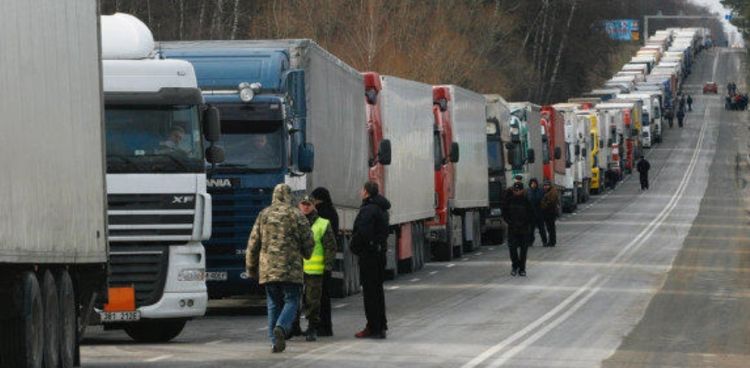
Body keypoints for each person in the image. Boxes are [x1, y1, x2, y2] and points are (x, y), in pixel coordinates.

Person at [246, 184, 314, 353]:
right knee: (292, 300)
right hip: (291, 269)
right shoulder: (297, 215)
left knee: (273, 304)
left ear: (274, 196)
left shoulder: (264, 214)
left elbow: (253, 244)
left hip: (268, 269)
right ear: (290, 197)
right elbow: (308, 241)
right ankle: (282, 327)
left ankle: (274, 341)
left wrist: (251, 268)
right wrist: (307, 254)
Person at [293, 195, 337, 342]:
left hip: (314, 270)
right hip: (295, 269)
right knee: (293, 300)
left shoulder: (323, 224)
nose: (305, 207)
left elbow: (330, 247)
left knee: (312, 301)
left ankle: (312, 328)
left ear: (313, 206)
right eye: (303, 204)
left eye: (308, 204)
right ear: (299, 205)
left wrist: (328, 266)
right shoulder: (293, 222)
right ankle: (294, 327)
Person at [351, 181, 390, 339]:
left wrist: (355, 247)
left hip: (369, 256)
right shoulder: (382, 208)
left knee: (370, 294)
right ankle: (380, 325)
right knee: (378, 292)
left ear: (366, 192)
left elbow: (363, 233)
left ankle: (373, 327)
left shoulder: (368, 210)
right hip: (379, 254)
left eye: (362, 189)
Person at [310, 187, 338, 337]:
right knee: (325, 296)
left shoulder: (320, 215)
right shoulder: (333, 212)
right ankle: (326, 327)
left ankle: (320, 326)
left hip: (316, 262)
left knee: (316, 298)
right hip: (326, 261)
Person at [502, 182, 532, 276]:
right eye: (515, 190)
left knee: (523, 251)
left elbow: (531, 214)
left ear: (522, 190)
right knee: (513, 250)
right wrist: (510, 222)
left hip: (524, 229)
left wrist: (526, 223)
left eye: (519, 190)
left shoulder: (526, 201)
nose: (517, 192)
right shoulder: (509, 201)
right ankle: (515, 266)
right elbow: (505, 213)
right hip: (513, 229)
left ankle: (522, 269)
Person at [526, 178, 547, 247]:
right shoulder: (528, 191)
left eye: (534, 183)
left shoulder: (540, 191)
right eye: (532, 183)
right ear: (530, 184)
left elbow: (540, 198)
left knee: (541, 229)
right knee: (531, 230)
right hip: (531, 213)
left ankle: (544, 241)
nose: (533, 185)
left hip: (539, 212)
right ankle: (530, 241)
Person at [540, 180, 559, 248]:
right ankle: (551, 241)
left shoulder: (552, 192)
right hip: (547, 213)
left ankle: (552, 241)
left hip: (551, 212)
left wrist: (543, 204)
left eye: (547, 185)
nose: (545, 187)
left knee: (551, 228)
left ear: (550, 186)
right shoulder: (547, 192)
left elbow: (551, 202)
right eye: (544, 185)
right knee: (549, 228)